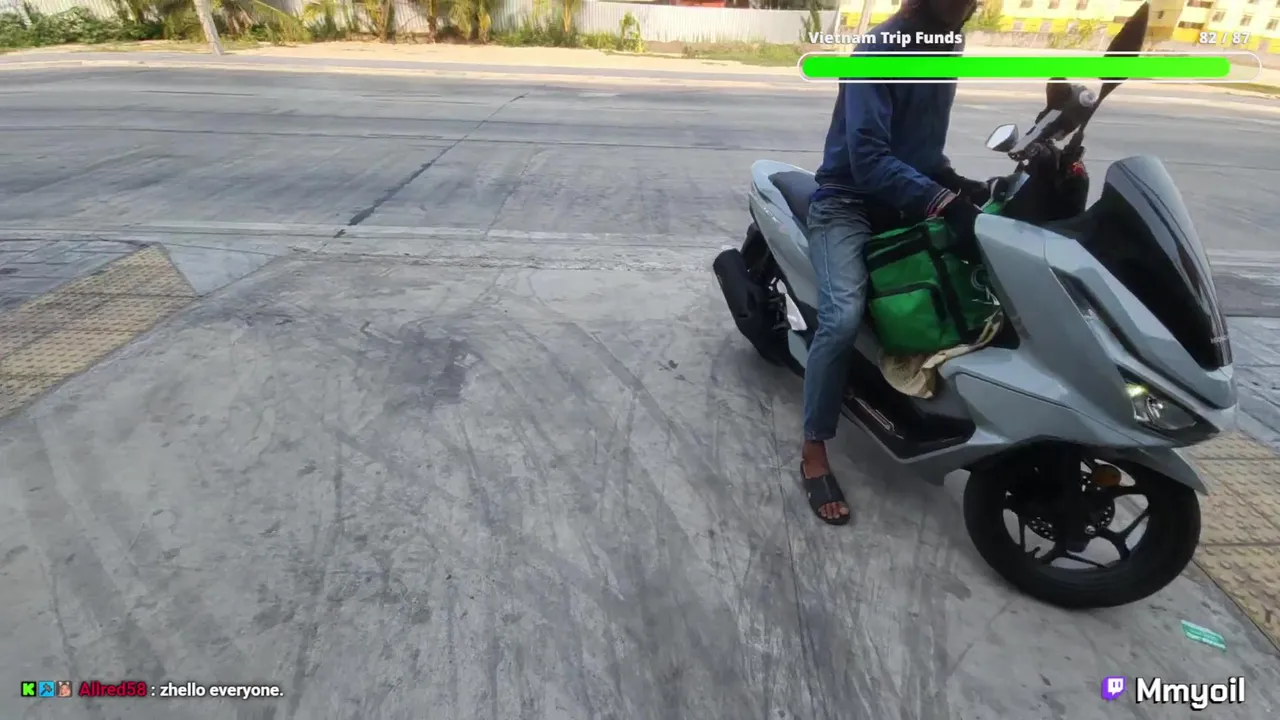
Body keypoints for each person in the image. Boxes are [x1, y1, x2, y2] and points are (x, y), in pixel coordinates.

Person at [800, 0, 989, 525]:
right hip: (847, 201)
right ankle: (813, 447)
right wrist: (942, 201)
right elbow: (868, 159)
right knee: (841, 319)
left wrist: (958, 184)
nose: (965, 5)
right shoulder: (877, 51)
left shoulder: (946, 46)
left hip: (907, 197)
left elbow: (924, 145)